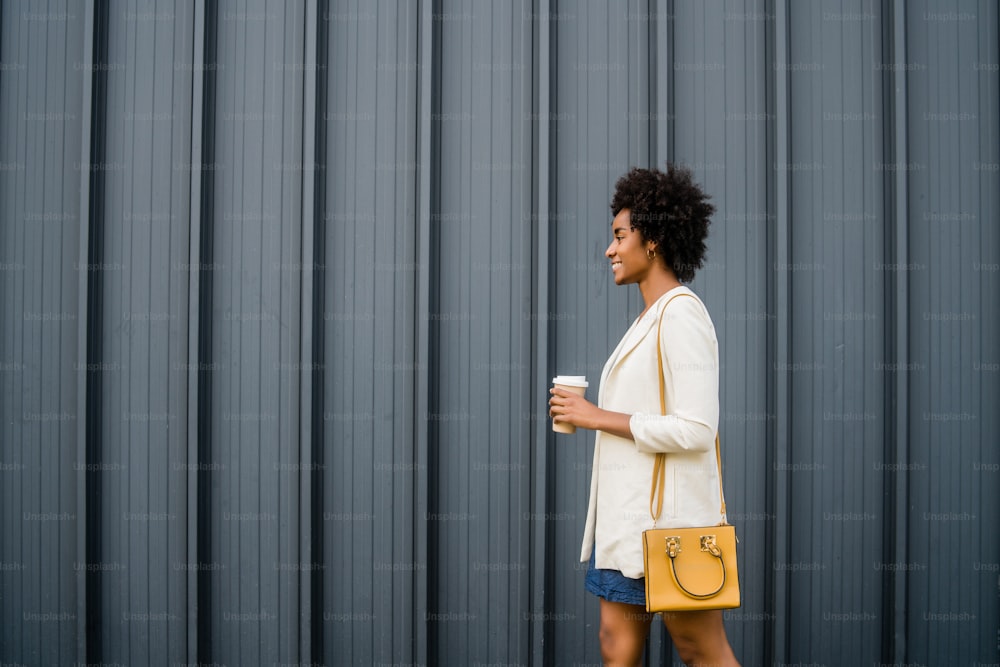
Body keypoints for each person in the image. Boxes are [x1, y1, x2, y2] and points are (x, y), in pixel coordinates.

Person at [549, 165, 739, 667]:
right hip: (624, 532)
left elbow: (698, 430)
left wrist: (594, 416)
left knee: (702, 653)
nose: (610, 250)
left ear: (651, 240)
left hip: (669, 532)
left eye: (619, 236)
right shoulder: (647, 319)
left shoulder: (681, 313)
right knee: (616, 648)